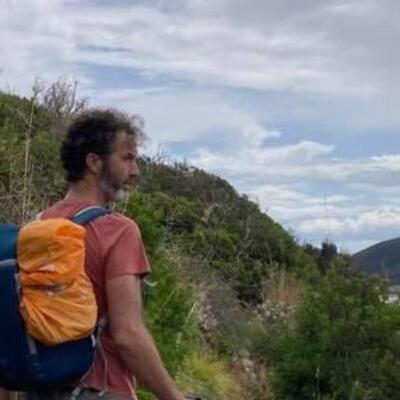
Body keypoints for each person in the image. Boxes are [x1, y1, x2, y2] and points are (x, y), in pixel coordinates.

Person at [26, 109, 186, 400]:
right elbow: (127, 335)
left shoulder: (34, 227)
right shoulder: (118, 230)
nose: (135, 171)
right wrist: (174, 396)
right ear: (94, 162)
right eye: (127, 158)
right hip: (101, 390)